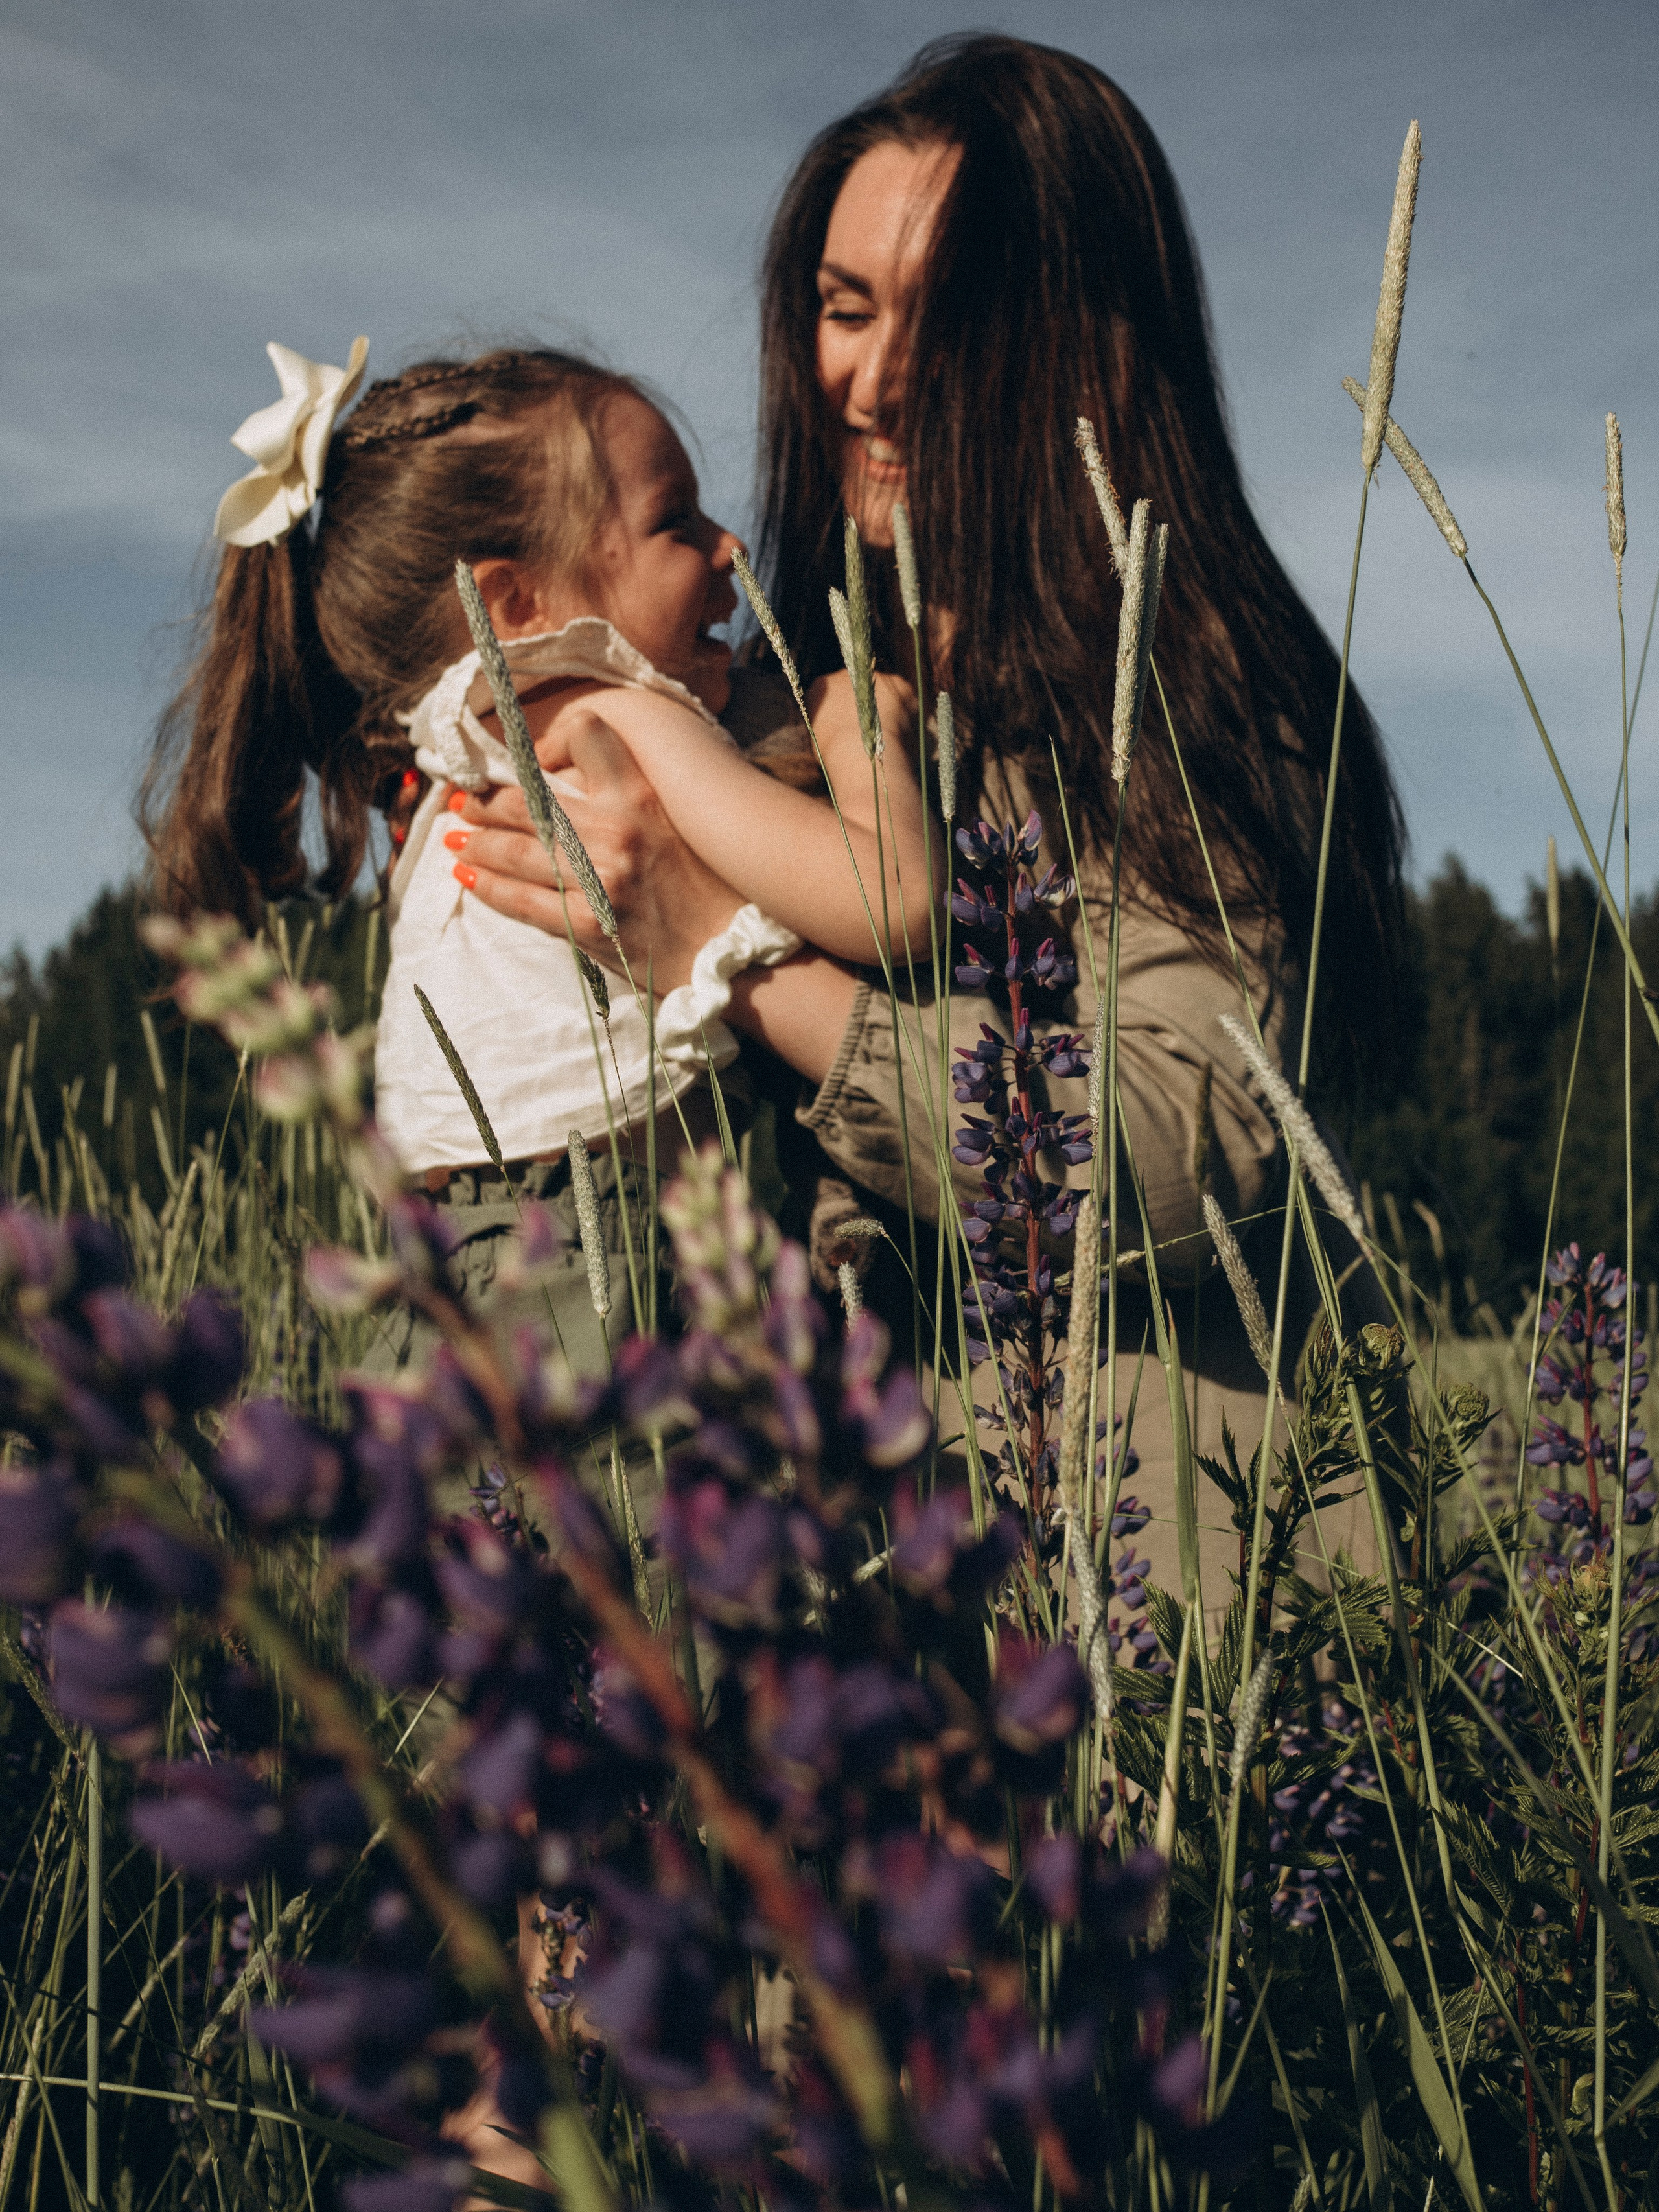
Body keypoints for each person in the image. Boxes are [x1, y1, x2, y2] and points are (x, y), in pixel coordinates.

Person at [444, 34, 1405, 1607]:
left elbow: (1182, 1141)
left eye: (948, 315)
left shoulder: (1182, 671)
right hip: (893, 1612)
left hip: (1178, 1623)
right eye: (843, 308)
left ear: (1093, 346)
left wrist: (733, 958)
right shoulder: (797, 687)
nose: (873, 379)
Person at [140, 341, 933, 1371]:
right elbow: (894, 901)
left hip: (441, 1283)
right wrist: (860, 731)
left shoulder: (447, 759)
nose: (731, 546)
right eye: (674, 521)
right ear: (516, 607)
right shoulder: (612, 712)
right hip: (593, 1283)